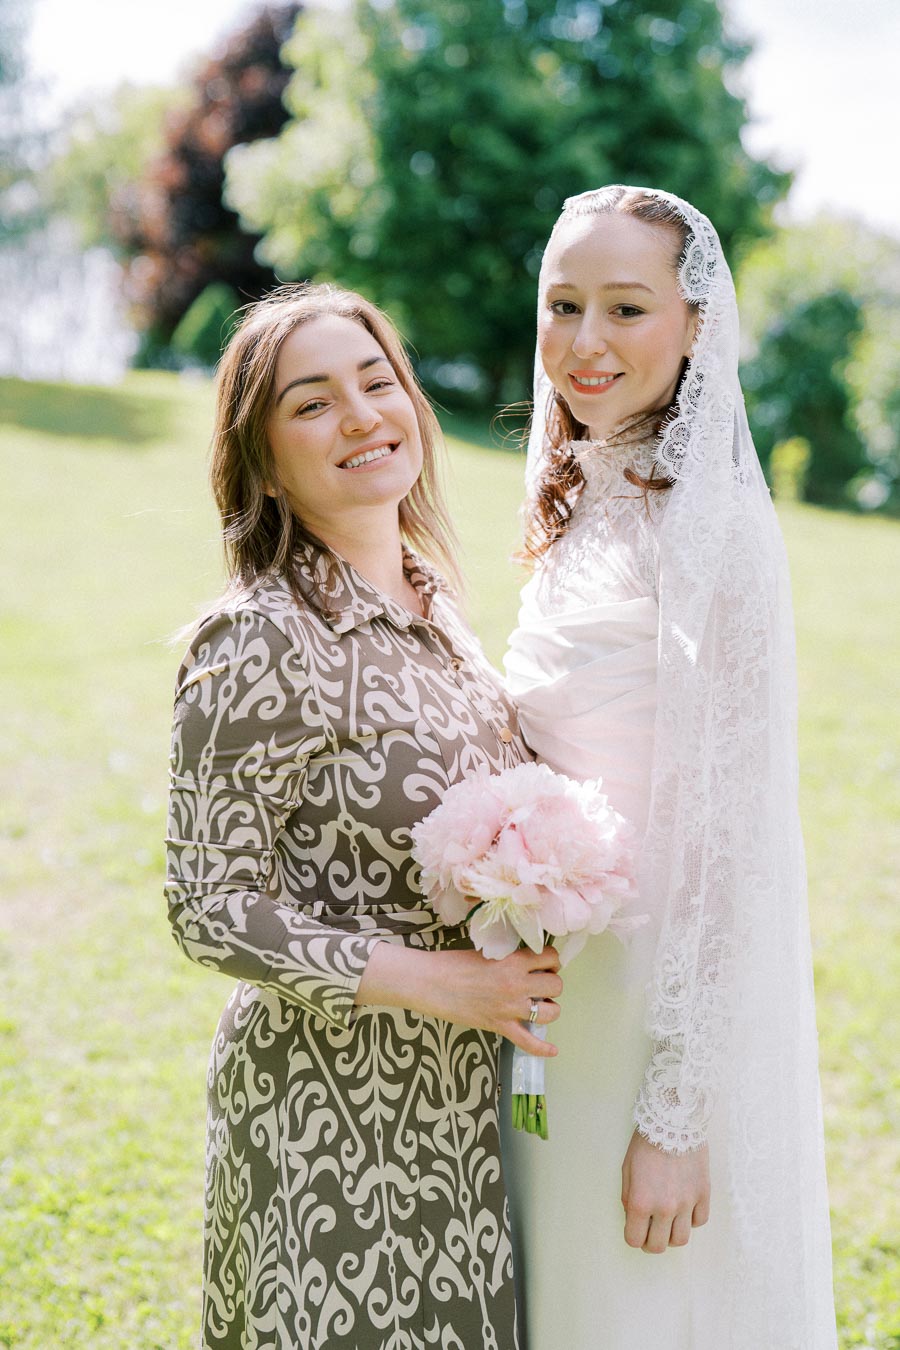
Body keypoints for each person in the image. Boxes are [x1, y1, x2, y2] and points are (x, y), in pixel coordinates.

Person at [164, 283, 563, 1350]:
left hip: (463, 1106)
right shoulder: (257, 641)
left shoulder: (441, 610)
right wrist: (452, 985)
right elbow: (207, 908)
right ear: (260, 460)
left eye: (376, 381)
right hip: (327, 1115)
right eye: (311, 403)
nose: (360, 415)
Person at [502, 187, 837, 1349]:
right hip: (553, 977)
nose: (585, 344)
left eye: (626, 309)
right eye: (564, 304)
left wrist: (678, 1112)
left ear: (694, 325)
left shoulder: (718, 535)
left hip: (654, 998)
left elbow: (733, 831)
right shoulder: (579, 500)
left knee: (635, 1305)